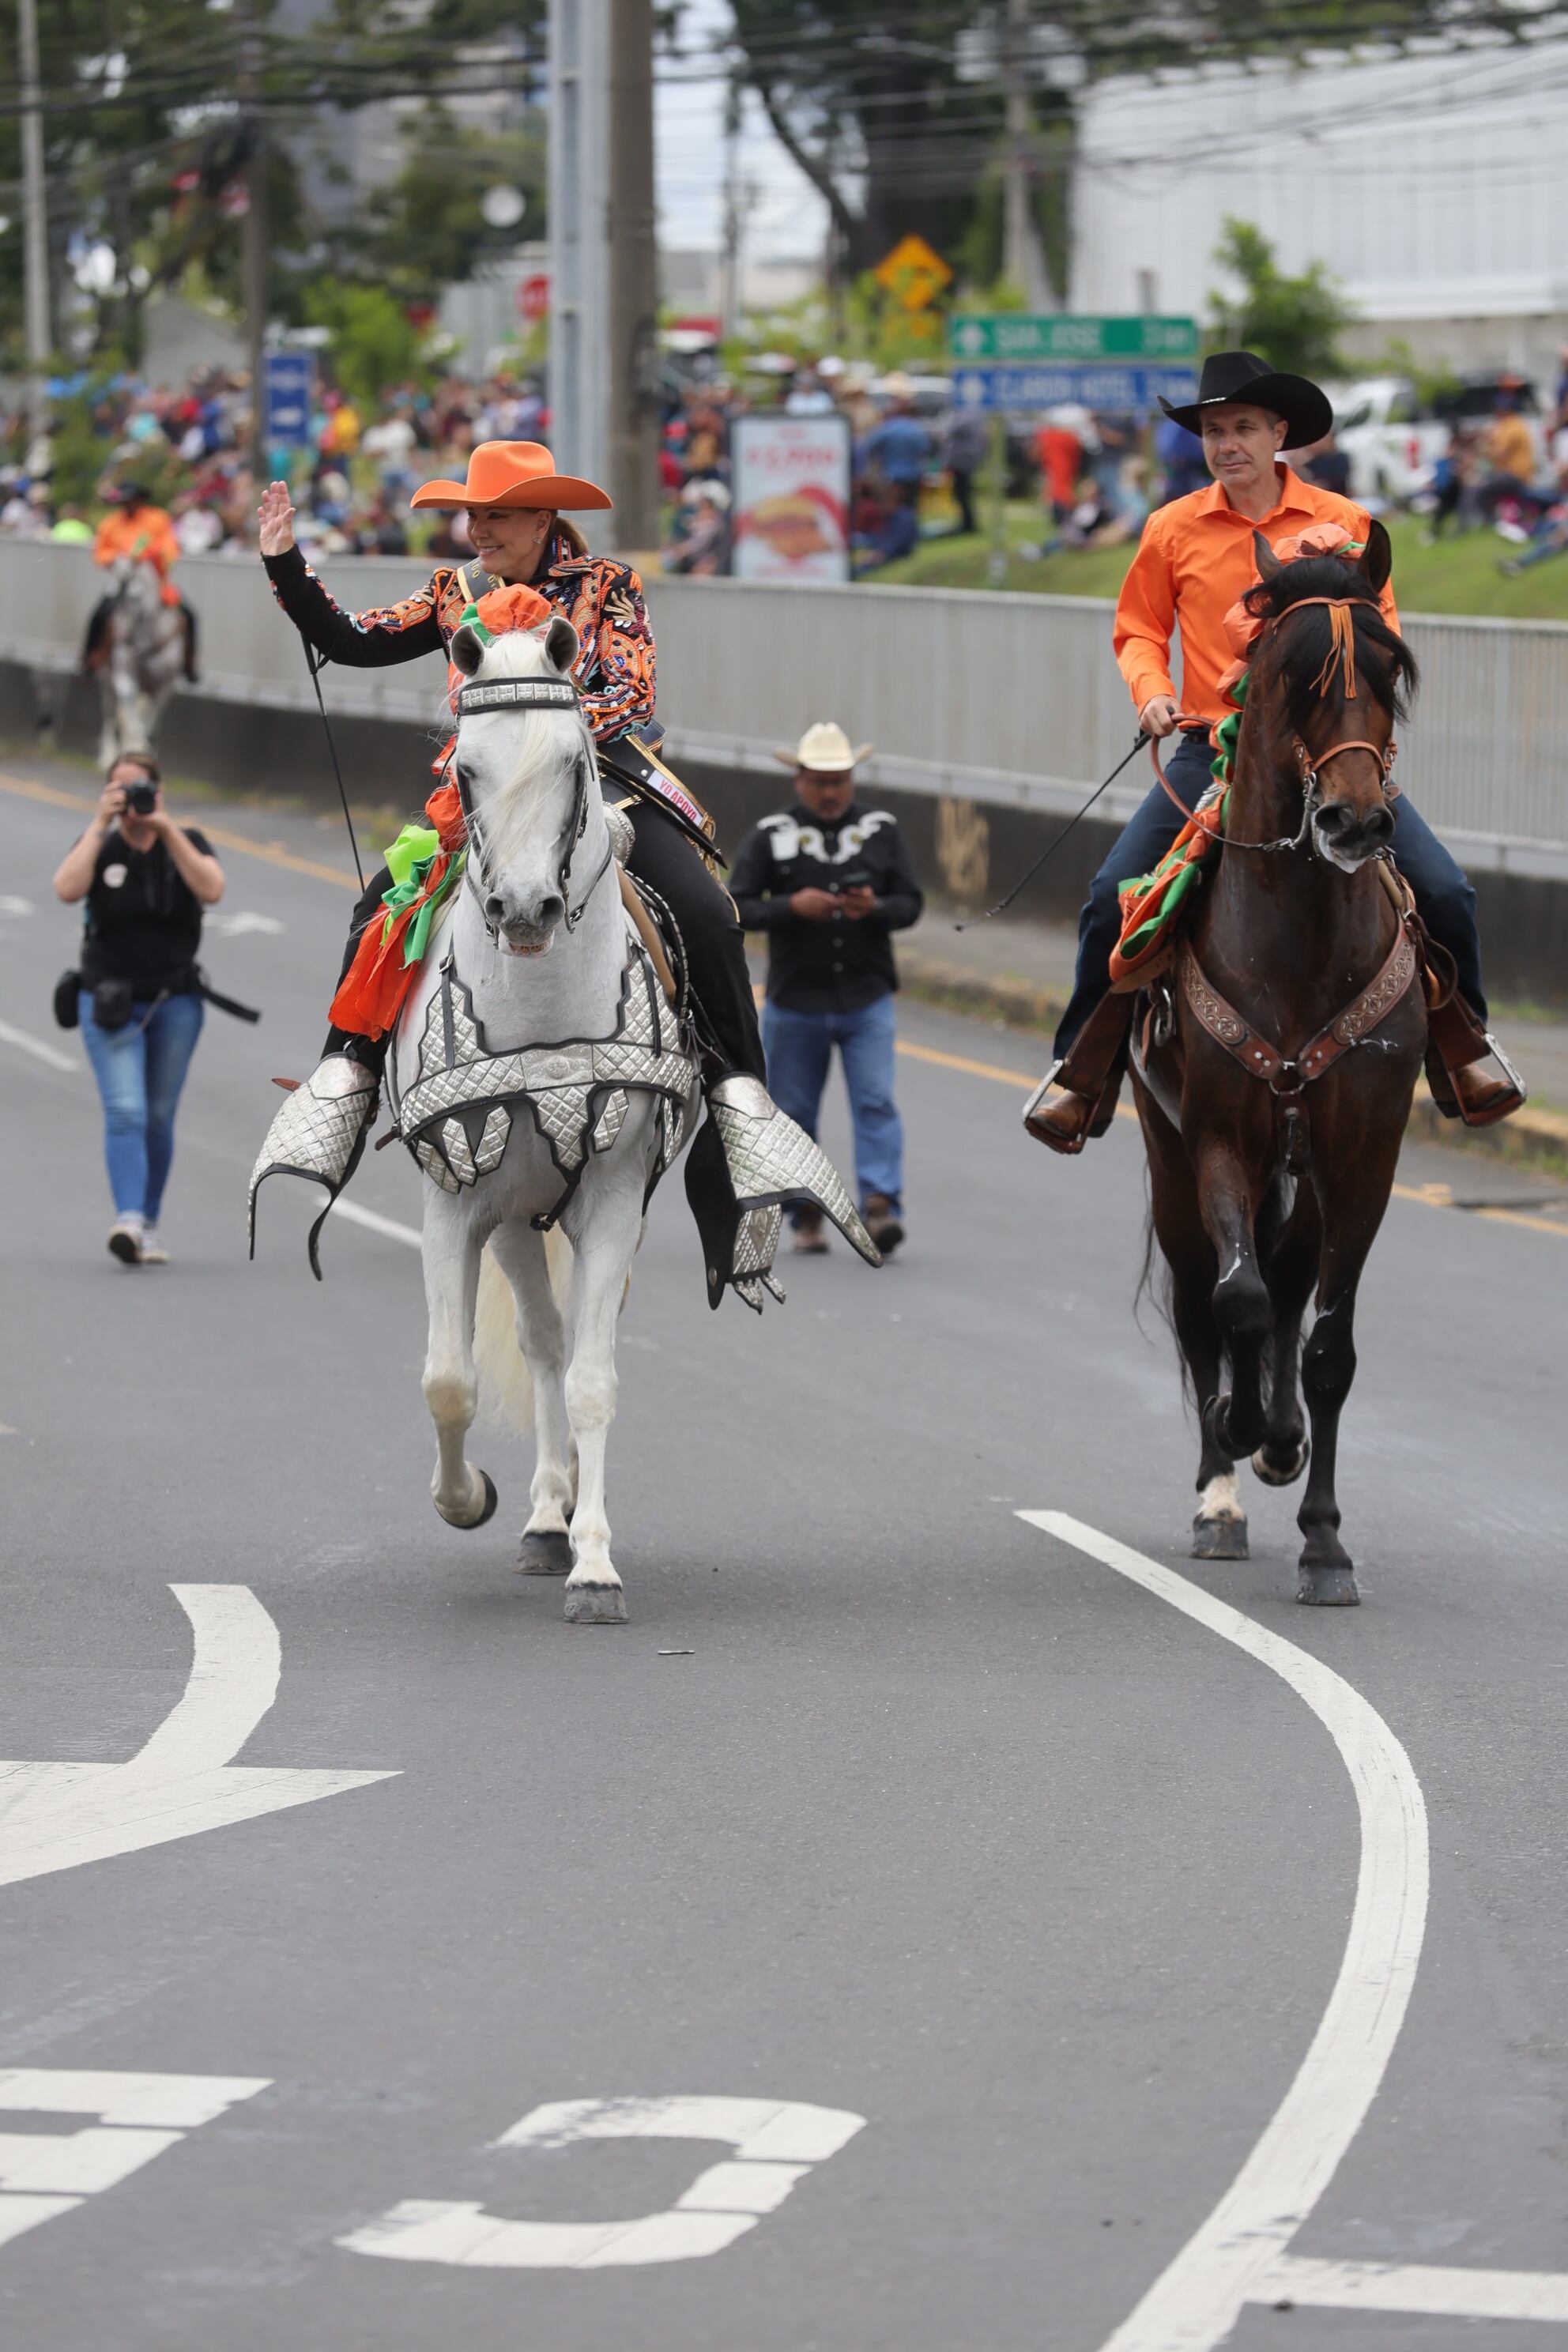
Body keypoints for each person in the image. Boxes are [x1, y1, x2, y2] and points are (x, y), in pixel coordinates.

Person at [251, 438, 869, 1302]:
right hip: (492, 796)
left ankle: (740, 1106)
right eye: (470, 514)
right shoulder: (452, 592)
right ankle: (345, 1082)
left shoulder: (608, 586)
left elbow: (631, 690)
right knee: (380, 907)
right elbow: (352, 642)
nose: (477, 529)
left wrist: (545, 726)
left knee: (708, 912)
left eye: (495, 514)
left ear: (543, 518)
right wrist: (285, 563)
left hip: (601, 781)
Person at [1023, 348, 1523, 1153]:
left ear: (1278, 432)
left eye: (1243, 427)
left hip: (1326, 748)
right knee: (1110, 891)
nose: (1228, 443)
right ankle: (1082, 1073)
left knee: (1448, 892)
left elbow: (1378, 629)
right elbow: (1137, 629)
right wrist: (1151, 690)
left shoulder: (1347, 525)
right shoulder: (1170, 528)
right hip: (1208, 750)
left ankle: (1466, 1055)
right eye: (1215, 430)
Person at [729, 724, 922, 1256]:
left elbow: (910, 903)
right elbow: (735, 905)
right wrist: (790, 907)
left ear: (852, 778)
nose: (830, 791)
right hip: (797, 1000)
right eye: (820, 781)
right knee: (793, 1109)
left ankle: (880, 1207)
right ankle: (805, 1210)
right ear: (800, 780)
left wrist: (875, 909)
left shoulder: (882, 829)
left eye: (839, 780)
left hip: (867, 996)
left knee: (876, 1100)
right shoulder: (771, 834)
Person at [52, 752, 224, 1264]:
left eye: (143, 788)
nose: (134, 800)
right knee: (125, 1110)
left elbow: (212, 888)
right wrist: (100, 823)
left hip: (176, 1003)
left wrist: (165, 827)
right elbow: (66, 888)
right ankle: (128, 1219)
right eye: (121, 791)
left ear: (161, 790)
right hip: (108, 1002)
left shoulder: (185, 842)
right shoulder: (100, 844)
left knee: (158, 1116)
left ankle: (147, 1222)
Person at [82, 481, 199, 684]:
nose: (129, 504)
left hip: (156, 582)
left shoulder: (157, 519)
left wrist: (154, 554)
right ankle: (90, 658)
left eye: (132, 499)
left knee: (190, 615)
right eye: (125, 500)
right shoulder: (111, 523)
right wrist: (119, 558)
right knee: (99, 614)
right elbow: (100, 553)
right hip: (121, 581)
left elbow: (170, 547)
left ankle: (189, 664)